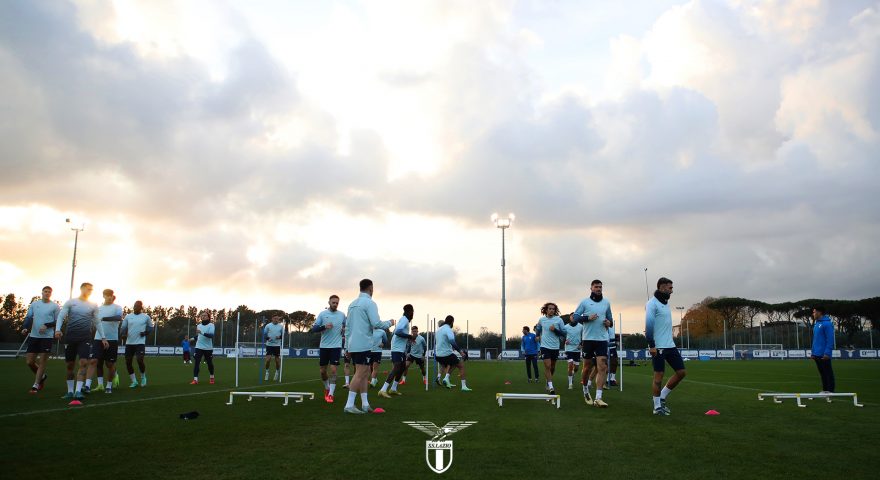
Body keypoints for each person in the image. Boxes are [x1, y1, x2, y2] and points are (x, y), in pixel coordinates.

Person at [343, 279, 393, 414]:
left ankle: (365, 404)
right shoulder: (370, 303)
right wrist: (390, 322)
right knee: (360, 373)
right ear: (371, 288)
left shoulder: (352, 304)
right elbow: (377, 323)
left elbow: (347, 328)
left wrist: (347, 347)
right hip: (363, 343)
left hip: (354, 344)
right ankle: (349, 405)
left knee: (364, 374)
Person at [646, 277, 686, 416]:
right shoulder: (652, 304)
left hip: (670, 345)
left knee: (681, 372)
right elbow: (649, 326)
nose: (672, 291)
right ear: (662, 288)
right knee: (658, 376)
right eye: (670, 288)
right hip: (658, 346)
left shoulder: (665, 303)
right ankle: (657, 407)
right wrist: (652, 345)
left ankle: (662, 397)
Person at [54, 282, 98, 403]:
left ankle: (78, 391)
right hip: (70, 337)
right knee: (70, 365)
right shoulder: (71, 302)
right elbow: (61, 316)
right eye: (88, 289)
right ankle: (70, 391)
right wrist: (57, 330)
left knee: (83, 362)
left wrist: (103, 337)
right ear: (82, 289)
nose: (90, 291)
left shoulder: (93, 305)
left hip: (85, 337)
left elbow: (97, 322)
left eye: (91, 290)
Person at [573, 280, 613, 408]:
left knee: (602, 367)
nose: (598, 288)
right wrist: (587, 318)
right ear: (591, 288)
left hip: (602, 339)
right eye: (596, 287)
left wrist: (609, 323)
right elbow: (575, 317)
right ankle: (585, 391)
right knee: (587, 368)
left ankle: (598, 398)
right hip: (588, 339)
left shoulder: (606, 302)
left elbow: (610, 320)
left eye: (600, 287)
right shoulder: (585, 302)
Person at [21, 286, 60, 394]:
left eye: (49, 292)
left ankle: (36, 385)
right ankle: (42, 376)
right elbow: (28, 317)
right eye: (45, 291)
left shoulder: (55, 306)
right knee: (30, 362)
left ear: (51, 294)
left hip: (47, 337)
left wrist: (47, 325)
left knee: (42, 362)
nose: (47, 293)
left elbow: (58, 321)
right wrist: (25, 327)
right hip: (34, 336)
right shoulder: (35, 304)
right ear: (42, 293)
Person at [310, 295, 346, 403]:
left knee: (334, 369)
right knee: (322, 371)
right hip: (324, 346)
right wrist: (324, 326)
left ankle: (331, 394)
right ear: (329, 302)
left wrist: (344, 329)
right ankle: (327, 388)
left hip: (336, 346)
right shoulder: (322, 314)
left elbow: (346, 325)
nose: (335, 304)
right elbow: (314, 328)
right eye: (333, 302)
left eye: (337, 303)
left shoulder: (342, 315)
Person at [86, 289, 122, 394]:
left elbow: (119, 317)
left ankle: (109, 386)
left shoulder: (117, 307)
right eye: (107, 295)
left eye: (111, 295)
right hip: (98, 338)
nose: (110, 297)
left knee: (109, 364)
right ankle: (89, 385)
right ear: (103, 296)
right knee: (94, 361)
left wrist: (104, 318)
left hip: (112, 339)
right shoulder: (98, 308)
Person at [379, 304, 415, 398]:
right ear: (410, 312)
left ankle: (393, 389)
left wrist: (408, 338)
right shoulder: (404, 320)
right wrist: (410, 336)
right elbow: (398, 332)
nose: (413, 314)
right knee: (397, 367)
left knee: (402, 367)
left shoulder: (404, 320)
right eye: (412, 312)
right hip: (397, 348)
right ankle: (383, 390)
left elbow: (397, 332)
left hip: (400, 348)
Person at [120, 300, 152, 389]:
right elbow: (123, 328)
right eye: (134, 306)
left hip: (140, 343)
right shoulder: (128, 316)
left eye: (138, 306)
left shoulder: (146, 317)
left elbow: (150, 328)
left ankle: (143, 378)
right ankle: (134, 381)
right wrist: (122, 335)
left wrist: (145, 333)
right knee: (128, 362)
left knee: (139, 359)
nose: (135, 307)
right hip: (129, 343)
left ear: (141, 307)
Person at [435, 315, 472, 391]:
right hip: (446, 354)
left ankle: (446, 378)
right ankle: (463, 386)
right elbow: (452, 342)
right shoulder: (448, 329)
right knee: (461, 365)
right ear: (452, 322)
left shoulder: (438, 330)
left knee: (454, 363)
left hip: (438, 355)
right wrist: (461, 352)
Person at [536, 303, 565, 395]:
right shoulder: (542, 320)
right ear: (546, 310)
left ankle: (548, 381)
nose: (551, 310)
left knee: (552, 367)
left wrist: (555, 330)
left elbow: (564, 333)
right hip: (544, 346)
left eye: (553, 309)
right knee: (547, 366)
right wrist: (537, 335)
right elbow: (538, 328)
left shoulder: (559, 320)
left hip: (555, 347)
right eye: (550, 309)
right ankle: (551, 386)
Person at [811, 306, 835, 393]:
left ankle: (831, 391)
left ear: (819, 312)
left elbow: (830, 339)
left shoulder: (827, 324)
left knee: (828, 373)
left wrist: (827, 353)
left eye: (814, 312)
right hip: (817, 354)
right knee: (822, 373)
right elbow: (815, 339)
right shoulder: (817, 324)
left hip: (824, 353)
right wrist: (813, 352)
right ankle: (825, 390)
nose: (813, 314)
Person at [191, 310, 216, 384]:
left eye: (205, 315)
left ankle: (212, 377)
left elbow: (211, 336)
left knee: (209, 363)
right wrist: (192, 338)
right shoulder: (198, 326)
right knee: (197, 362)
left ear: (208, 317)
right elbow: (199, 336)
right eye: (202, 315)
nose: (203, 316)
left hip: (208, 348)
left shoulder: (211, 325)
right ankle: (195, 379)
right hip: (198, 347)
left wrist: (201, 332)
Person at [562, 317, 583, 390]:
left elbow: (584, 335)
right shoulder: (566, 327)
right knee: (570, 365)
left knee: (576, 368)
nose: (573, 318)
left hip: (577, 349)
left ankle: (573, 373)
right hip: (569, 348)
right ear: (570, 318)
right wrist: (564, 341)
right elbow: (562, 335)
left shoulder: (581, 326)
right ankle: (570, 384)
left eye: (575, 316)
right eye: (572, 316)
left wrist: (581, 344)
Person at [263, 314, 285, 382]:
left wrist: (280, 337)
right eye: (275, 318)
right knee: (268, 360)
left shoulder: (281, 326)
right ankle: (267, 372)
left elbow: (283, 335)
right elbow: (264, 334)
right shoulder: (268, 325)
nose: (276, 320)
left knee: (277, 361)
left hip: (277, 345)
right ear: (272, 319)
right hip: (269, 345)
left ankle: (277, 372)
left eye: (277, 319)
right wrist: (267, 338)